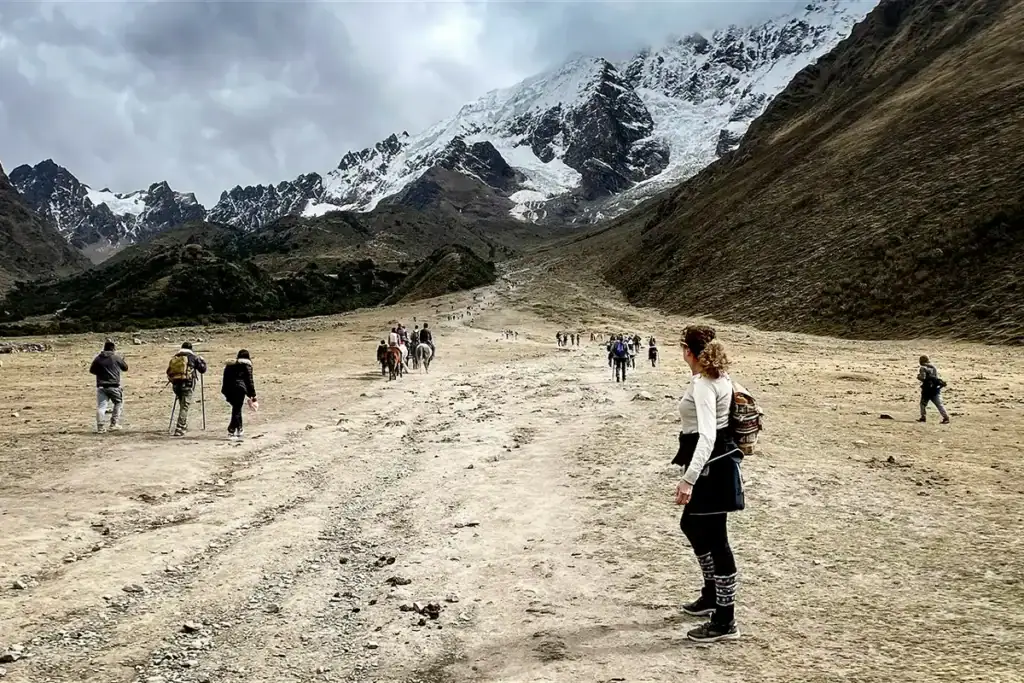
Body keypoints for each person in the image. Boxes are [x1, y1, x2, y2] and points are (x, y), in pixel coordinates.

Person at [673, 324, 744, 643]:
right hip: (717, 463)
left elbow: (707, 435)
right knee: (693, 526)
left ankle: (725, 620)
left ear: (688, 351)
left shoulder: (704, 383)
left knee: (716, 538)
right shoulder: (721, 377)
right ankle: (712, 596)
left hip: (710, 468)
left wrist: (688, 480)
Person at [166, 341, 208, 437]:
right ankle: (179, 428)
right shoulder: (193, 357)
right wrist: (202, 361)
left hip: (176, 385)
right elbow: (202, 370)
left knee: (182, 404)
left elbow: (168, 371)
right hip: (187, 384)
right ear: (191, 349)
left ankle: (183, 425)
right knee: (184, 407)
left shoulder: (176, 357)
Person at [89, 340, 128, 433]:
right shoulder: (116, 357)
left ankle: (100, 427)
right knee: (118, 403)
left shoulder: (98, 358)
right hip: (114, 385)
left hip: (101, 386)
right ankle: (113, 424)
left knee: (101, 407)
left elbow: (92, 370)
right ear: (113, 348)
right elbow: (125, 368)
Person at [222, 349, 258, 440]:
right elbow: (249, 381)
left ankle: (239, 428)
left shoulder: (229, 366)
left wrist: (224, 390)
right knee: (237, 409)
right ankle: (231, 429)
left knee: (236, 409)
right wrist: (253, 395)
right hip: (239, 389)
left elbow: (225, 379)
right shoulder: (247, 366)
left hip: (228, 389)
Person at [917, 355, 950, 424]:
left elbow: (923, 377)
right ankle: (946, 417)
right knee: (939, 404)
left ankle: (923, 417)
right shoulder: (933, 367)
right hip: (935, 388)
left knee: (923, 404)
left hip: (927, 389)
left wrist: (918, 377)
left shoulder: (923, 368)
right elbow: (935, 377)